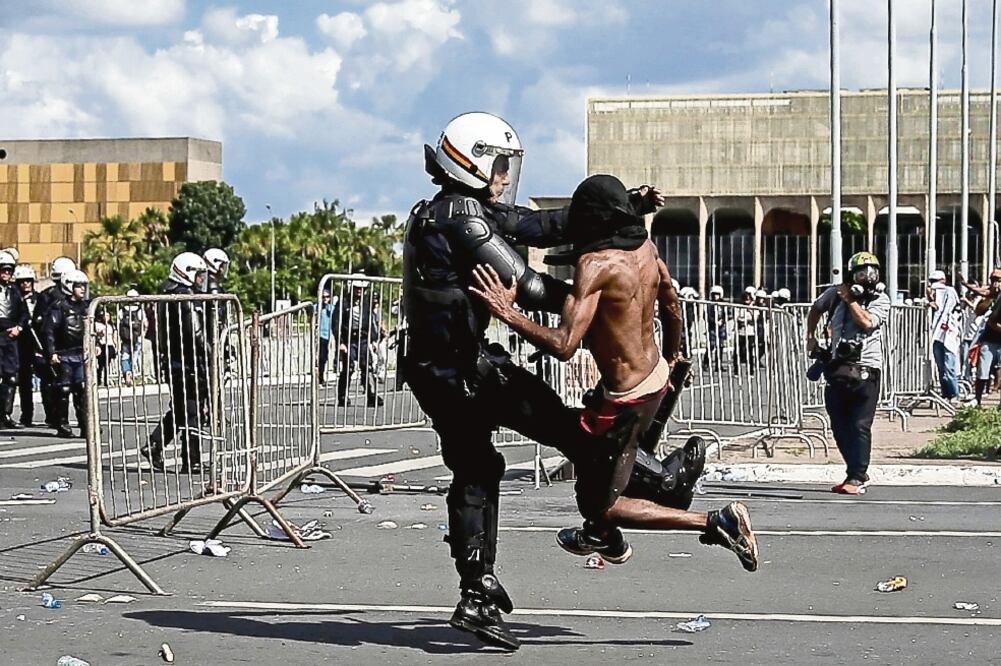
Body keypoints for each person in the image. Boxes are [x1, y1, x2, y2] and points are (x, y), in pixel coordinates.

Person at [402, 113, 703, 651]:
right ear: (468, 162)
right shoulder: (461, 221)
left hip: (453, 365)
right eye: (496, 164)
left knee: (486, 462)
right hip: (458, 372)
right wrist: (600, 305)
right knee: (535, 441)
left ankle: (477, 594)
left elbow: (535, 226)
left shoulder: (456, 210)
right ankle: (657, 483)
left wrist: (621, 208)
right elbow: (528, 285)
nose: (503, 175)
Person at [471, 173, 758, 573]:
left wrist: (509, 313)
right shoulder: (645, 248)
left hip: (625, 398)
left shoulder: (595, 266)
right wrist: (673, 357)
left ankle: (714, 521)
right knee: (596, 462)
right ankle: (603, 534)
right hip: (656, 376)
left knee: (600, 500)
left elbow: (565, 345)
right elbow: (672, 303)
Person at [806, 252, 890, 495]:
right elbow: (816, 308)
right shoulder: (835, 294)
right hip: (838, 367)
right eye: (862, 273)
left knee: (860, 424)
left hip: (867, 369)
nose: (868, 278)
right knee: (839, 425)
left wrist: (851, 301)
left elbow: (866, 323)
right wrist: (810, 337)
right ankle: (854, 472)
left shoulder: (881, 300)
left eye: (872, 272)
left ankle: (856, 477)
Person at [141, 252, 210, 473]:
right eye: (198, 275)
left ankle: (155, 444)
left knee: (182, 410)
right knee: (192, 411)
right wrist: (211, 352)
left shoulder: (169, 294)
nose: (202, 280)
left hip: (176, 362)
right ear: (186, 273)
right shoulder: (183, 298)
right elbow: (195, 332)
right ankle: (192, 460)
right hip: (186, 363)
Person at [43, 269, 90, 438]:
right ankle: (62, 424)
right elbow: (49, 331)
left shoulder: (88, 307)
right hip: (64, 355)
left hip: (80, 354)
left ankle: (86, 426)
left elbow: (92, 329)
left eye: (83, 286)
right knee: (63, 389)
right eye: (79, 286)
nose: (82, 290)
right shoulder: (59, 307)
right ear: (70, 287)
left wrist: (97, 345)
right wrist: (52, 353)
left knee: (82, 390)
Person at [34, 257, 76, 427]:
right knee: (53, 383)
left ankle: (72, 420)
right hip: (53, 346)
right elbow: (40, 324)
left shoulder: (77, 296)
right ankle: (56, 417)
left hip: (70, 346)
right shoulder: (48, 297)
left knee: (76, 385)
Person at [333, 278, 383, 407]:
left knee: (367, 367)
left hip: (363, 339)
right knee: (348, 368)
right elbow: (336, 323)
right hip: (349, 339)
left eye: (361, 288)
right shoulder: (343, 302)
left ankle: (372, 396)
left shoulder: (366, 302)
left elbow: (370, 321)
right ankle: (343, 396)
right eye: (357, 288)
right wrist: (340, 342)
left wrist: (373, 340)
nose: (359, 291)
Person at [0, 251, 28, 429]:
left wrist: (19, 327)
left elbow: (24, 313)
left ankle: (5, 414)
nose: (7, 273)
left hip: (11, 339)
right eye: (3, 270)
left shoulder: (14, 292)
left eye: (9, 270)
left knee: (11, 377)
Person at [14, 264, 43, 427]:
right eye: (22, 281)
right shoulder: (14, 300)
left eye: (28, 281)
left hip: (39, 344)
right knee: (24, 382)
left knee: (48, 379)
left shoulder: (40, 299)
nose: (26, 284)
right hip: (21, 344)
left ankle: (53, 416)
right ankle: (27, 416)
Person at [927, 269, 961, 402]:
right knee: (940, 366)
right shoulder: (932, 293)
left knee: (949, 366)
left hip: (949, 333)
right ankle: (945, 393)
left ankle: (954, 393)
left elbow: (947, 309)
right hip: (936, 334)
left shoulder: (950, 292)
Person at [118, 289, 146, 386]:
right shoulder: (139, 310)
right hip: (137, 337)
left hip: (125, 338)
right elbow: (144, 323)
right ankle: (133, 373)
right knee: (135, 357)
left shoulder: (122, 311)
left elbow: (118, 325)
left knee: (125, 356)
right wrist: (143, 334)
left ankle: (127, 371)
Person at [703, 285, 727, 371]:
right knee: (711, 346)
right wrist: (714, 321)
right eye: (714, 294)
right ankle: (706, 363)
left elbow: (727, 314)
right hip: (712, 327)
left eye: (717, 294)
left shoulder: (723, 304)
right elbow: (706, 316)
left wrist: (722, 321)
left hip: (721, 328)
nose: (715, 296)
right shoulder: (709, 305)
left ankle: (718, 365)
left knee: (720, 347)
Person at [94, 307, 117, 386]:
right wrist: (100, 333)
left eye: (108, 315)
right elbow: (95, 335)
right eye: (105, 315)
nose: (106, 317)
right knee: (100, 364)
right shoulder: (98, 324)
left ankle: (106, 380)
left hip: (110, 345)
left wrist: (116, 345)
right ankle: (98, 380)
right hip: (102, 345)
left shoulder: (112, 325)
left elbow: (114, 336)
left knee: (107, 364)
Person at [317, 290, 335, 385]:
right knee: (321, 357)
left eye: (327, 297)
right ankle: (320, 377)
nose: (325, 299)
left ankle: (321, 376)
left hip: (328, 335)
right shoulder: (317, 307)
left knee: (324, 358)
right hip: (319, 335)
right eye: (323, 297)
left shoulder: (331, 308)